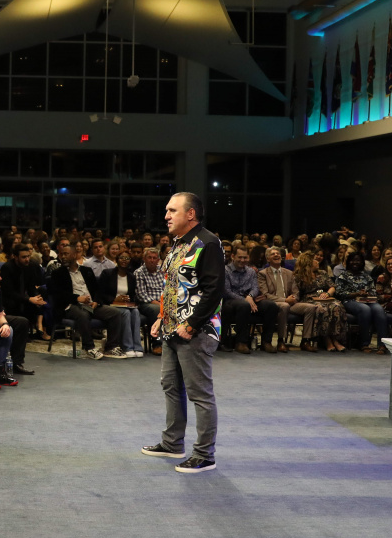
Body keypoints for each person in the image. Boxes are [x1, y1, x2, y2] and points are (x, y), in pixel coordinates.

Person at [141, 192, 223, 474]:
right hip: (171, 328)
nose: (166, 216)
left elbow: (214, 291)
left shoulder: (208, 243)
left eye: (172, 210)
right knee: (171, 386)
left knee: (200, 394)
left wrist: (191, 325)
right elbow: (172, 285)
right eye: (167, 210)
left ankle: (205, 455)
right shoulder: (178, 243)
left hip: (195, 331)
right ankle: (172, 443)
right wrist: (161, 316)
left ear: (191, 214)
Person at [48, 243, 126, 360]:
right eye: (61, 254)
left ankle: (111, 347)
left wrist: (96, 301)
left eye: (66, 254)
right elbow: (58, 294)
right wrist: (76, 298)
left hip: (90, 304)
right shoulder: (57, 273)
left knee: (115, 313)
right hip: (70, 305)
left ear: (74, 255)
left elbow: (97, 290)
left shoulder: (86, 270)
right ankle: (88, 347)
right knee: (83, 314)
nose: (63, 257)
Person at [256, 247, 315, 353]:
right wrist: (285, 300)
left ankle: (305, 341)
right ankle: (281, 341)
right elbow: (265, 294)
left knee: (311, 307)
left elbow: (296, 291)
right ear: (268, 259)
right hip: (274, 303)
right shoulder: (263, 274)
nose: (276, 255)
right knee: (284, 306)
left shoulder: (289, 273)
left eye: (278, 253)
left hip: (291, 302)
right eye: (273, 254)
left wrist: (294, 298)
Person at [221, 247, 278, 354]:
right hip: (231, 301)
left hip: (250, 299)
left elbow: (255, 288)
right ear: (233, 256)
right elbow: (227, 291)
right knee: (244, 305)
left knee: (271, 306)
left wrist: (250, 296)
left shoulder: (251, 271)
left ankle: (266, 342)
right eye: (240, 257)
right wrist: (246, 300)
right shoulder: (225, 270)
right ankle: (241, 342)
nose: (242, 260)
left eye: (245, 257)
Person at [335, 251, 389, 353]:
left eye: (358, 260)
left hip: (367, 300)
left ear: (362, 262)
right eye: (353, 260)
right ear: (348, 262)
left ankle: (382, 345)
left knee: (379, 310)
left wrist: (366, 294)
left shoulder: (366, 276)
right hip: (350, 301)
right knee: (365, 309)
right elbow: (339, 293)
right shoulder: (343, 276)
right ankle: (364, 343)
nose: (355, 262)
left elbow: (373, 291)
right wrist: (356, 294)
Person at [96, 251, 146, 358]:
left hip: (125, 304)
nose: (124, 260)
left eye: (127, 258)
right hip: (110, 305)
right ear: (117, 259)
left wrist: (128, 299)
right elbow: (100, 293)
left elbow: (133, 295)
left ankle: (137, 347)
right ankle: (127, 347)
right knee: (126, 313)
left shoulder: (131, 277)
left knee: (135, 312)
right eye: (122, 257)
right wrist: (114, 299)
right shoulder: (107, 273)